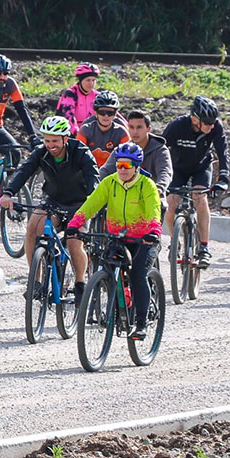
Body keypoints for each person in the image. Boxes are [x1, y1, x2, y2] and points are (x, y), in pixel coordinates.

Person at [65, 142, 161, 340]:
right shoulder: (109, 183)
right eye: (119, 165)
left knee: (137, 275)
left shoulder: (146, 185)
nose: (122, 170)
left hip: (144, 239)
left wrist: (153, 231)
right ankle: (118, 306)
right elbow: (91, 203)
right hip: (118, 237)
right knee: (107, 269)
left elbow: (154, 210)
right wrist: (75, 224)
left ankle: (141, 323)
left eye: (126, 166)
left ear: (136, 167)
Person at [0, 115, 98, 305]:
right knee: (32, 229)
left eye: (54, 141)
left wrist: (92, 204)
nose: (50, 145)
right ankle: (35, 281)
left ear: (65, 139)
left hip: (80, 204)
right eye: (46, 140)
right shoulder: (41, 152)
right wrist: (8, 193)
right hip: (53, 201)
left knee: (73, 243)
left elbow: (93, 179)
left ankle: (79, 282)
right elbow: (24, 171)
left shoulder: (81, 152)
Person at [162, 96, 228, 267]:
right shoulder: (177, 126)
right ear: (194, 119)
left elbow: (222, 152)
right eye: (207, 123)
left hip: (201, 167)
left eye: (213, 122)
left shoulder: (215, 127)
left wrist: (223, 178)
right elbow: (160, 149)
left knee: (200, 198)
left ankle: (204, 247)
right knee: (171, 202)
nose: (211, 126)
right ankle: (173, 240)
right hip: (178, 167)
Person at [100, 110, 172, 195]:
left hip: (152, 196)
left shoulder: (160, 150)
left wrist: (159, 188)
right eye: (131, 127)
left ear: (148, 129)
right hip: (125, 198)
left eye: (139, 127)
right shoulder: (122, 150)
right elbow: (105, 171)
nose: (135, 132)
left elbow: (165, 173)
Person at [77, 90, 130, 168]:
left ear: (115, 114)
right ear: (95, 112)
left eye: (110, 113)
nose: (106, 116)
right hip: (89, 170)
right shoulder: (85, 130)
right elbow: (77, 156)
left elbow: (128, 158)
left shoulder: (122, 132)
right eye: (102, 112)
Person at [56, 62, 99, 134]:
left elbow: (113, 114)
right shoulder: (70, 94)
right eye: (88, 80)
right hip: (68, 133)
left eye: (93, 80)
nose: (91, 83)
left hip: (90, 133)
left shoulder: (97, 95)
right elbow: (69, 117)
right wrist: (78, 133)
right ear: (80, 81)